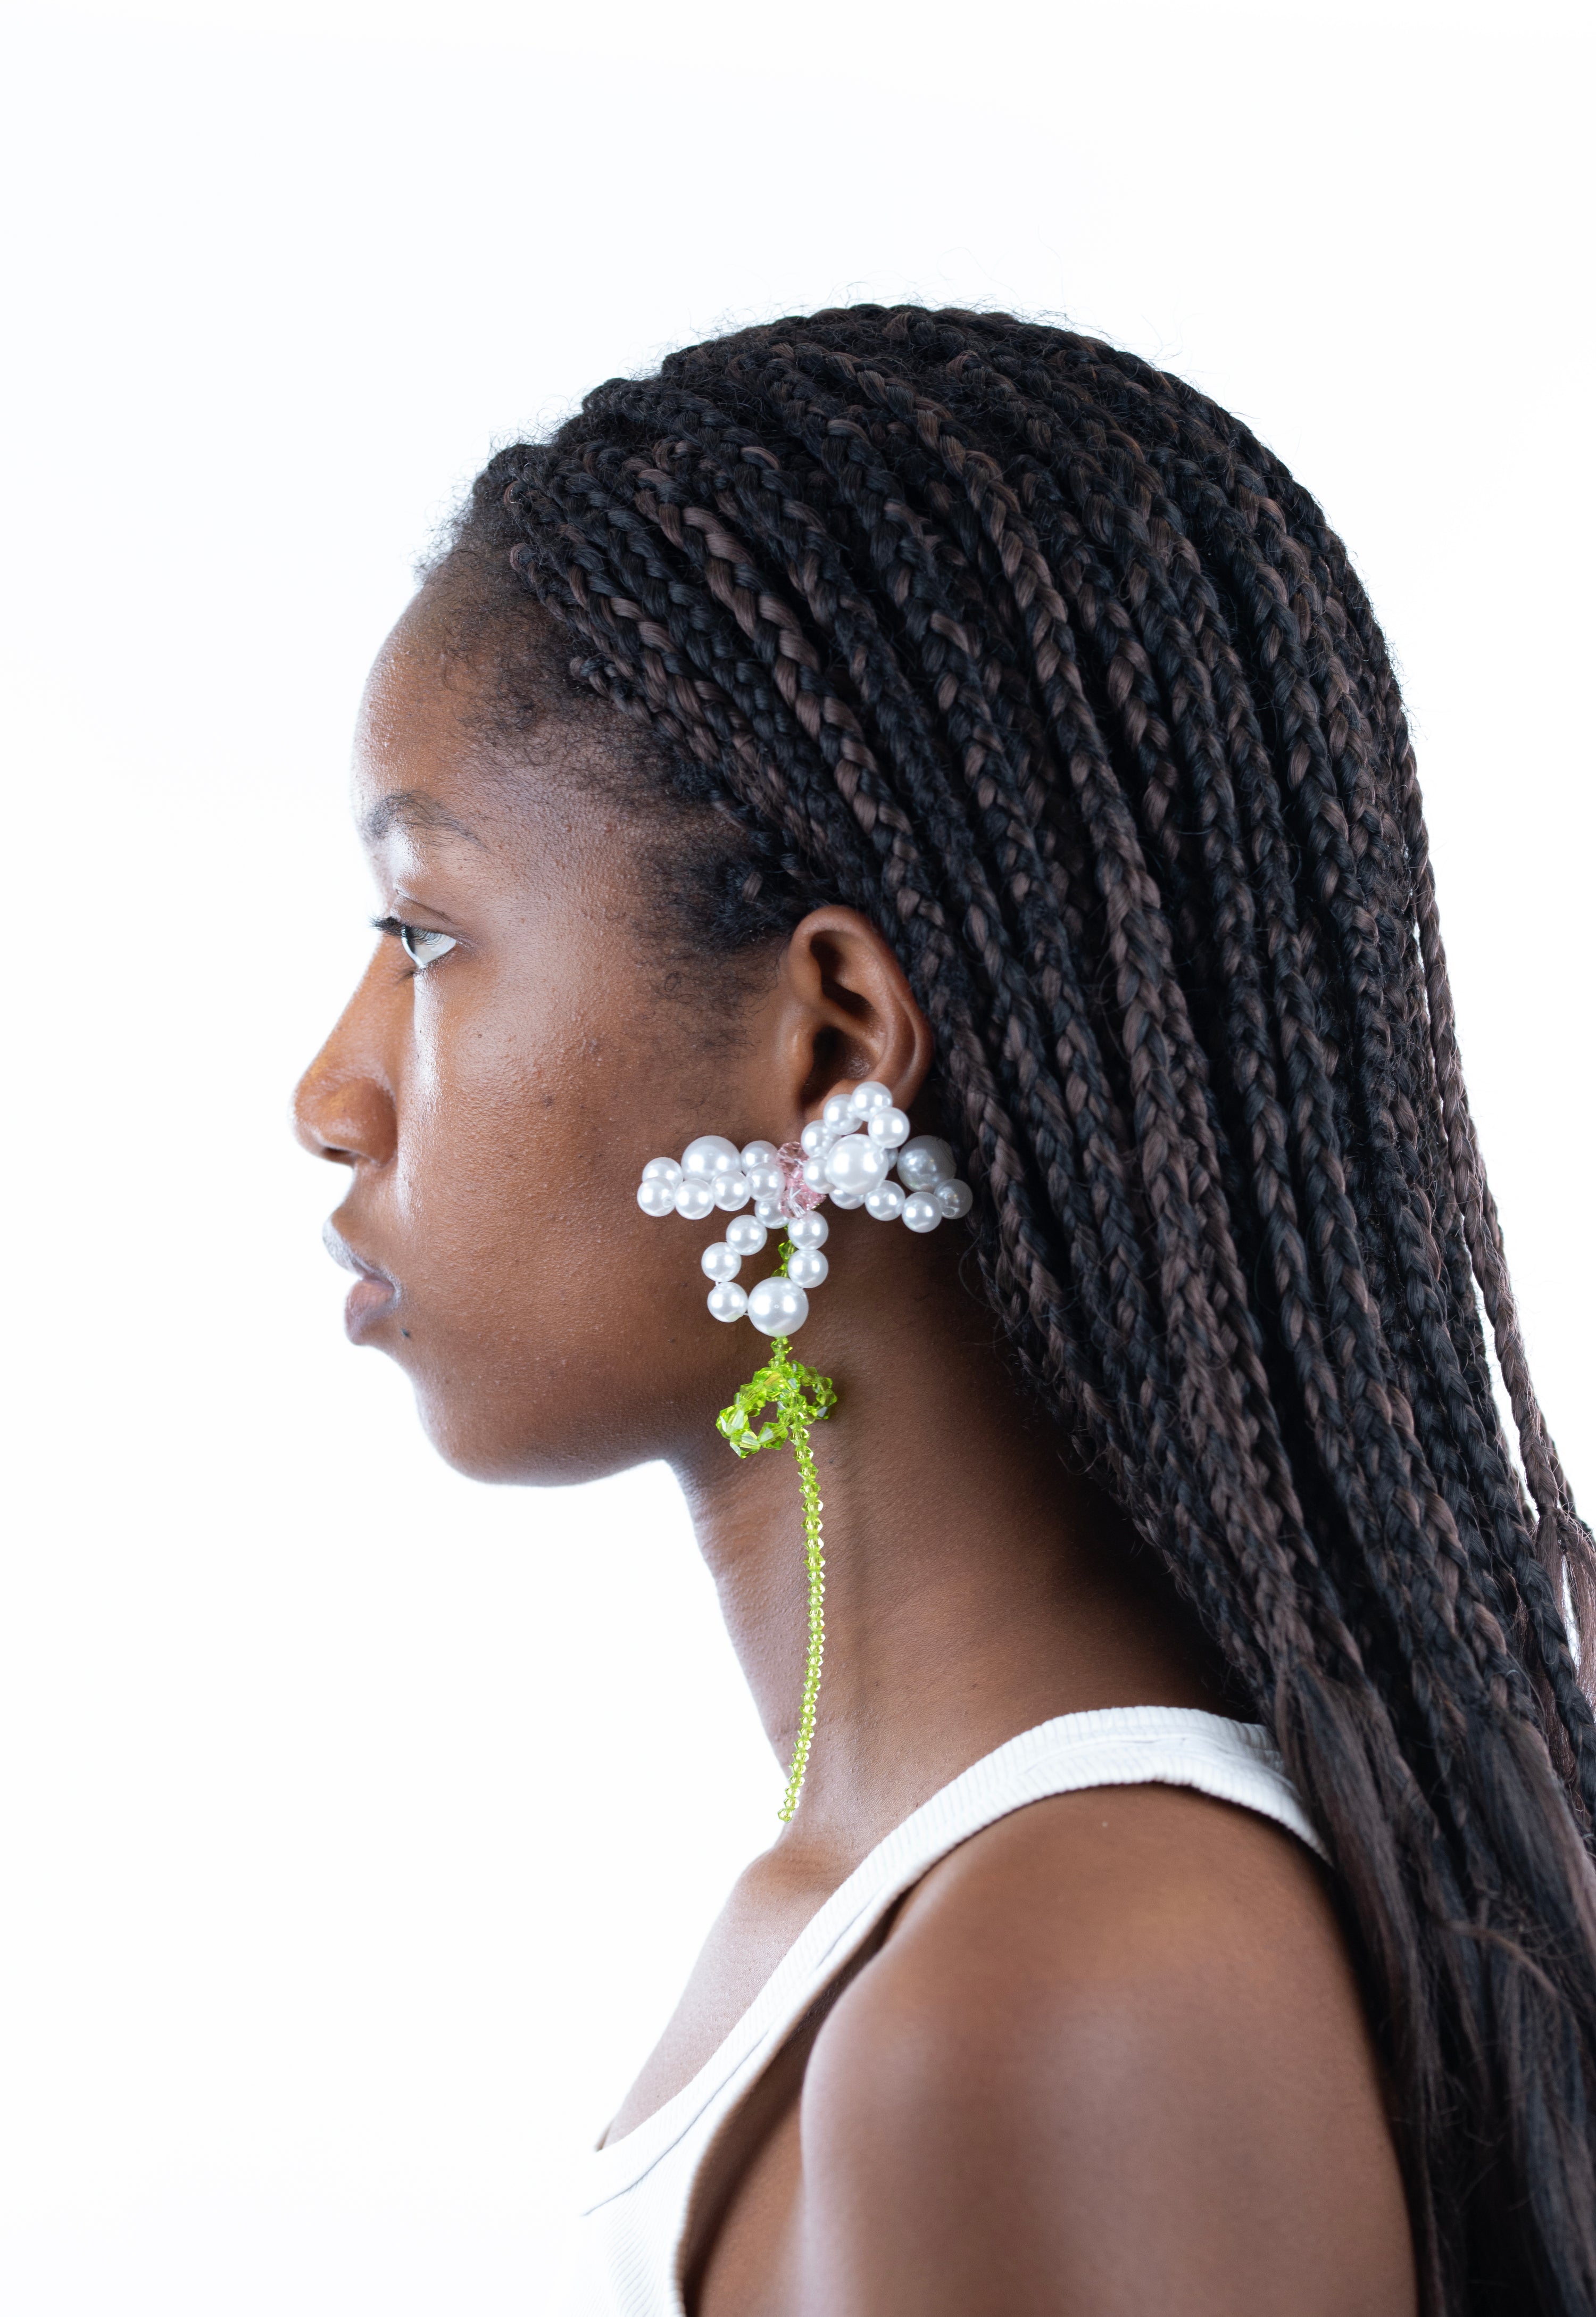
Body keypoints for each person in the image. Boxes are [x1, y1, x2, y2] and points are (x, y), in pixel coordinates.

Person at [292, 306, 1596, 2317]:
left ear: (827, 1048)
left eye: (424, 934)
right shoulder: (941, 1917)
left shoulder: (1063, 1981)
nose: (331, 1092)